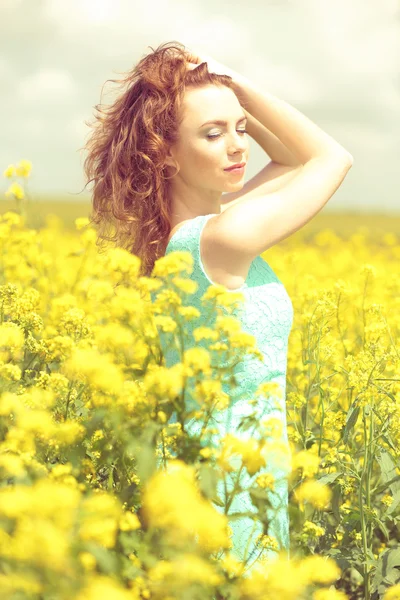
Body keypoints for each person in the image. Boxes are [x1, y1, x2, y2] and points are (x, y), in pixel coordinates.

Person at [83, 41, 353, 576]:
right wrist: (236, 82)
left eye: (241, 129)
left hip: (229, 480)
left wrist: (221, 97)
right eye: (213, 134)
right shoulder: (222, 237)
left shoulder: (189, 236)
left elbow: (288, 160)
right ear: (163, 151)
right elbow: (329, 158)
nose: (238, 146)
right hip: (230, 493)